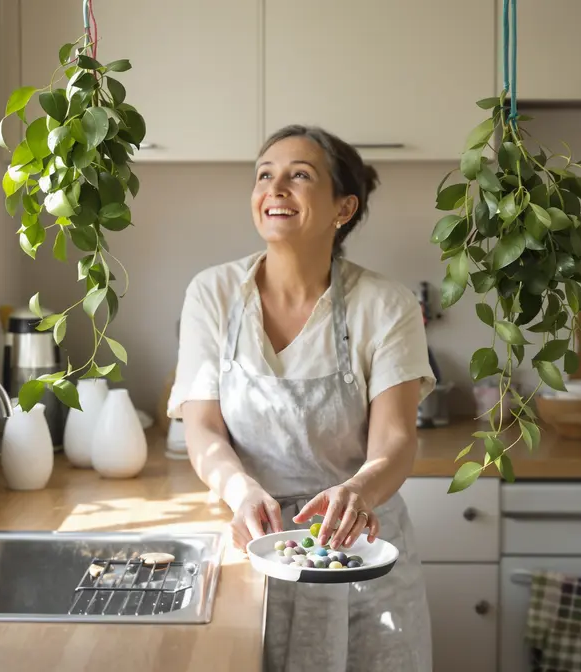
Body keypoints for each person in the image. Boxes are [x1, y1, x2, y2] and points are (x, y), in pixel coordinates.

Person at [166, 124, 435, 672]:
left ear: (343, 207)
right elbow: (204, 430)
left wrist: (358, 491)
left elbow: (396, 440)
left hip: (359, 550)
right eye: (265, 175)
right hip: (255, 547)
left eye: (300, 175)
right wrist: (240, 490)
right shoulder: (212, 294)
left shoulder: (386, 305)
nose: (275, 187)